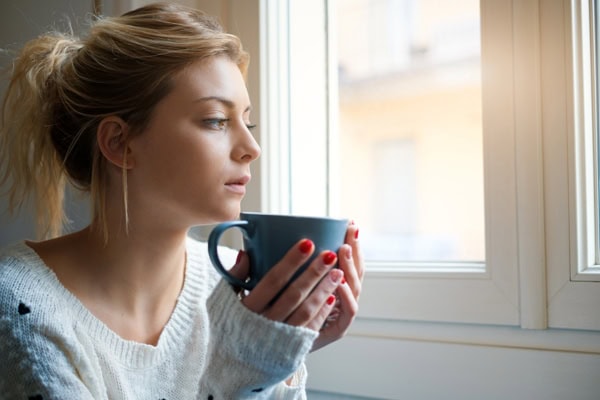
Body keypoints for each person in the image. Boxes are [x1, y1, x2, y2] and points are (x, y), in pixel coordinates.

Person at [0, 2, 363, 399]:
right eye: (216, 121)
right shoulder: (21, 303)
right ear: (120, 143)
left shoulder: (234, 286)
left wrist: (285, 356)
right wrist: (243, 372)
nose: (251, 147)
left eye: (248, 121)